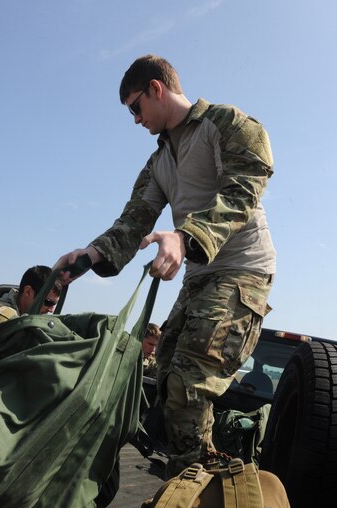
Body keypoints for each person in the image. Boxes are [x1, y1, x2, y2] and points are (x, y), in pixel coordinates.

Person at [55, 54, 276, 478]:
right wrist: (85, 258)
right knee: (166, 378)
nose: (135, 120)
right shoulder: (159, 162)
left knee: (187, 387)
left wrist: (185, 236)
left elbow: (241, 193)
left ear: (157, 88)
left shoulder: (227, 124)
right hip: (198, 277)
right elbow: (132, 223)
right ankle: (195, 483)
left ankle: (191, 493)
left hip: (241, 271)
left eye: (135, 107)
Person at [0, 265, 62, 334]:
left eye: (54, 304)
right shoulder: (4, 314)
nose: (51, 309)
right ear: (28, 292)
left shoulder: (21, 314)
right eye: (48, 302)